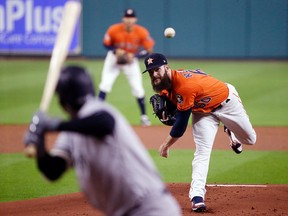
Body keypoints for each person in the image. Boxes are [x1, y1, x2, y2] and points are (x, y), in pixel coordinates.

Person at [24, 65, 182, 216]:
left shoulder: (98, 111)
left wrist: (54, 125)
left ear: (63, 100)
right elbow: (53, 170)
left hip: (150, 209)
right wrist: (40, 146)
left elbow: (104, 124)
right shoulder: (72, 131)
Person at [142, 53, 257, 212]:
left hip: (227, 103)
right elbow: (172, 101)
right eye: (150, 72)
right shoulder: (166, 85)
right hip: (203, 112)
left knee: (250, 139)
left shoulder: (184, 86)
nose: (154, 75)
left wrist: (165, 145)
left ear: (167, 68)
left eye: (157, 70)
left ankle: (230, 129)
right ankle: (197, 197)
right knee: (202, 151)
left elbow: (180, 126)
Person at [98, 8, 155, 126]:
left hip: (131, 61)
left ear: (135, 19)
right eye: (127, 17)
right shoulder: (113, 29)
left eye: (131, 18)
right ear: (123, 18)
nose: (129, 20)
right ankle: (97, 114)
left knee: (138, 89)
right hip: (114, 59)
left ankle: (144, 117)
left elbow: (149, 50)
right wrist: (115, 50)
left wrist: (135, 55)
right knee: (105, 85)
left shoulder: (141, 32)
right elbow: (106, 44)